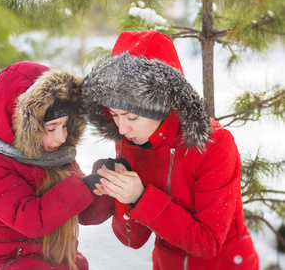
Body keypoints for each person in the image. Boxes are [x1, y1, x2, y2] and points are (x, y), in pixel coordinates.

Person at [80, 30, 259, 269]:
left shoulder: (214, 145)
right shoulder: (130, 138)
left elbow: (208, 243)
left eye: (131, 116)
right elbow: (132, 240)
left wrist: (141, 198)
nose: (122, 128)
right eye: (114, 114)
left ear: (161, 106)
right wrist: (122, 192)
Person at [0, 61, 113, 270]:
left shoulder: (60, 158)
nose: (62, 137)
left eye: (65, 125)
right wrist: (83, 186)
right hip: (13, 264)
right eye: (51, 128)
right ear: (21, 126)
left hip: (63, 261)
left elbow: (86, 213)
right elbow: (30, 219)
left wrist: (103, 183)